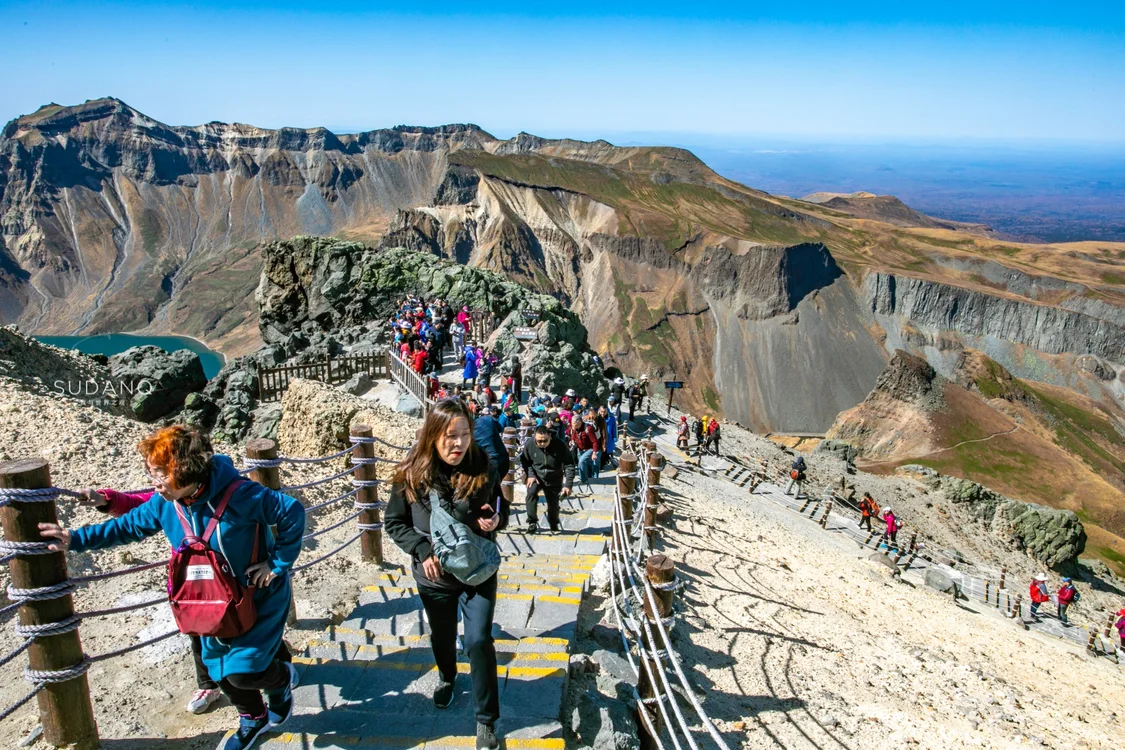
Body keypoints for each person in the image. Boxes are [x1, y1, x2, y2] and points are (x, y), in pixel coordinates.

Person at [40, 426, 306, 750]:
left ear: (184, 469)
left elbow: (291, 511)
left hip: (259, 598)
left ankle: (280, 682)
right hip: (211, 603)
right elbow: (125, 527)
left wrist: (277, 564)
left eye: (160, 473)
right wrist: (74, 540)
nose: (154, 481)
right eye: (151, 473)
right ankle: (253, 718)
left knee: (243, 673)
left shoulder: (240, 494)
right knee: (218, 670)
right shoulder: (165, 504)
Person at [384, 400, 507, 750]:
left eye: (465, 435)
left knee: (478, 641)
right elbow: (394, 522)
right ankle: (447, 676)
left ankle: (486, 722)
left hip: (477, 569)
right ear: (432, 436)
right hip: (435, 575)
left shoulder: (482, 465)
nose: (459, 444)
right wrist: (422, 552)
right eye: (450, 436)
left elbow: (499, 504)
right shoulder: (410, 474)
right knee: (441, 634)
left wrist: (496, 519)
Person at [76, 486, 223, 715]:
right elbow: (141, 506)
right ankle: (208, 685)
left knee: (241, 624)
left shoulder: (221, 489)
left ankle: (273, 669)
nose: (157, 481)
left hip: (224, 575)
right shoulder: (168, 495)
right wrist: (107, 499)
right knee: (197, 630)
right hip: (190, 579)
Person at [518, 425, 576, 534]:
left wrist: (568, 485)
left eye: (544, 441)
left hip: (554, 478)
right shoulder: (530, 444)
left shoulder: (560, 445)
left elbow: (569, 464)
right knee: (531, 493)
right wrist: (531, 475)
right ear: (534, 437)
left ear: (549, 436)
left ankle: (553, 523)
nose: (541, 444)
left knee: (553, 504)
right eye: (538, 441)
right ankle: (532, 521)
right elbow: (525, 461)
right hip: (536, 475)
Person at [569, 415, 599, 493]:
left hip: (589, 449)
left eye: (574, 424)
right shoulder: (574, 428)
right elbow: (573, 435)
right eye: (572, 423)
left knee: (581, 462)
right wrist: (572, 441)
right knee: (587, 464)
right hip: (580, 449)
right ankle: (589, 477)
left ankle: (583, 480)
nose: (573, 426)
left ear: (579, 423)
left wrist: (594, 453)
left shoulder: (588, 429)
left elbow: (595, 441)